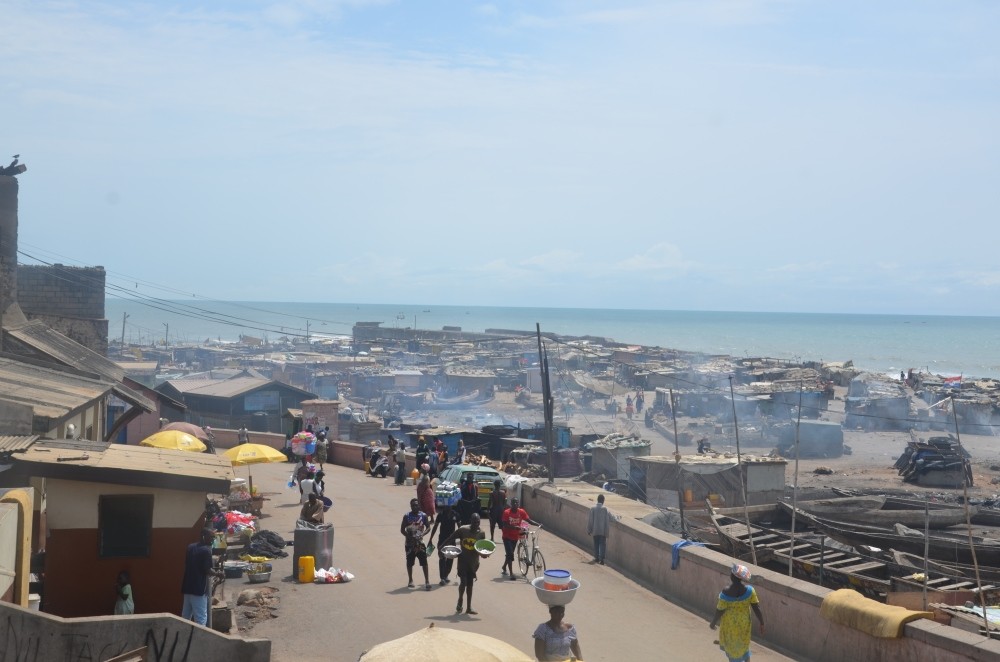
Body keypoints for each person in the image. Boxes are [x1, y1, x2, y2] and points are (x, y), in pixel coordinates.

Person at [709, 564, 765, 662]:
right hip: (744, 624)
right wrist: (762, 622)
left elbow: (719, 611)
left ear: (732, 576)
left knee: (732, 649)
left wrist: (712, 623)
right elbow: (756, 608)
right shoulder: (750, 591)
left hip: (729, 625)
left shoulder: (725, 592)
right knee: (743, 643)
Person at [445, 512, 485, 615]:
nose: (476, 524)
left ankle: (468, 607)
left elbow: (482, 548)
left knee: (470, 585)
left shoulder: (481, 533)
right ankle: (460, 599)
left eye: (478, 522)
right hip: (462, 561)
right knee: (463, 582)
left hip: (473, 563)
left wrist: (484, 555)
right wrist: (442, 548)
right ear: (470, 521)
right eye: (474, 522)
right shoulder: (463, 530)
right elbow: (451, 538)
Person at [181, 528, 220, 626]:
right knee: (201, 619)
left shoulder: (190, 547)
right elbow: (207, 570)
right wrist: (218, 574)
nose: (212, 540)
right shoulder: (206, 551)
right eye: (211, 537)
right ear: (203, 536)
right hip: (198, 590)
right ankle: (200, 641)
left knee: (185, 618)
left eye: (213, 538)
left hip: (187, 588)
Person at [500, 497, 539, 579]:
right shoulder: (506, 512)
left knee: (509, 554)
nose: (515, 504)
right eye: (513, 502)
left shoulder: (521, 512)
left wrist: (538, 524)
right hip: (507, 536)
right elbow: (504, 525)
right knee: (510, 554)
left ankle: (504, 567)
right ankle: (511, 573)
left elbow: (529, 520)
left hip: (515, 537)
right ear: (511, 503)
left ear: (518, 503)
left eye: (516, 503)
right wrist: (515, 527)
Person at [400, 498, 431, 590]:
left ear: (419, 506)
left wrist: (422, 534)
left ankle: (427, 581)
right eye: (413, 505)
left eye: (416, 505)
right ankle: (410, 580)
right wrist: (409, 537)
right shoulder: (406, 516)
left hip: (420, 543)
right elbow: (402, 530)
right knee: (409, 562)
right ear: (411, 506)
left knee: (424, 562)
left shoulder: (423, 515)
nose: (415, 507)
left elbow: (428, 527)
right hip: (409, 544)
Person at [428, 503, 460, 585]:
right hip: (442, 540)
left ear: (452, 505)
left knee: (450, 559)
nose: (447, 506)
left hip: (452, 540)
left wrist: (463, 539)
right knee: (442, 558)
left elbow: (460, 528)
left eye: (449, 505)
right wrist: (430, 538)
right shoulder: (441, 515)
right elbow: (435, 527)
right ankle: (442, 578)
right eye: (446, 505)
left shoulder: (455, 515)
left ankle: (446, 575)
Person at [588, 493, 611, 565]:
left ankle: (596, 558)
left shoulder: (593, 509)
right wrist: (618, 518)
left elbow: (590, 520)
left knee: (596, 544)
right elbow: (611, 517)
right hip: (602, 531)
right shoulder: (605, 509)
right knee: (602, 545)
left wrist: (589, 530)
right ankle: (602, 560)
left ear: (597, 500)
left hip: (595, 530)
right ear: (603, 501)